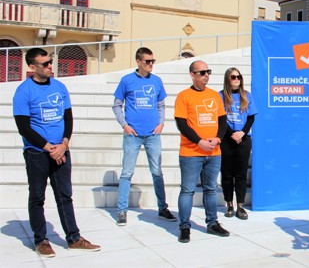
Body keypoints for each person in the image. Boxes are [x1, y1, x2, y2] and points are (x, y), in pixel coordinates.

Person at [13, 48, 100, 258]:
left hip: (61, 150)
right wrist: (49, 148)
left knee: (65, 196)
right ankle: (41, 240)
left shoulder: (60, 87)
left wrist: (64, 144)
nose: (50, 66)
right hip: (37, 153)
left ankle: (74, 238)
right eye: (45, 64)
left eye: (50, 62)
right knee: (37, 197)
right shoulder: (23, 91)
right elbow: (24, 127)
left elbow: (68, 118)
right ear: (32, 67)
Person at [112, 47, 176, 226]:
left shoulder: (157, 81)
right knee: (127, 173)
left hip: (153, 134)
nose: (151, 64)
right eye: (147, 61)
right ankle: (122, 210)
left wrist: (161, 123)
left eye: (152, 61)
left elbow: (161, 105)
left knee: (157, 172)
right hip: (133, 135)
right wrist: (124, 125)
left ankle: (162, 208)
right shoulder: (127, 80)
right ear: (138, 62)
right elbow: (117, 105)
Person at [174, 60, 230, 243]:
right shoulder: (183, 96)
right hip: (191, 152)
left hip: (213, 152)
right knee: (187, 190)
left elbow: (222, 120)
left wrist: (218, 139)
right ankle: (184, 227)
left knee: (211, 189)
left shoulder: (214, 95)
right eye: (202, 72)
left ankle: (212, 223)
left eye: (208, 72)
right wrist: (199, 141)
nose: (206, 75)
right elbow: (181, 124)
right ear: (192, 75)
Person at [219, 67, 257, 220]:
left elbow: (251, 118)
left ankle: (240, 206)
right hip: (227, 138)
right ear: (227, 79)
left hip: (243, 138)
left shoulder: (246, 95)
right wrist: (232, 134)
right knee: (227, 173)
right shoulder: (220, 96)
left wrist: (242, 133)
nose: (236, 79)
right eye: (233, 77)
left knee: (241, 173)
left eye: (238, 77)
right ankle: (229, 204)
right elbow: (221, 118)